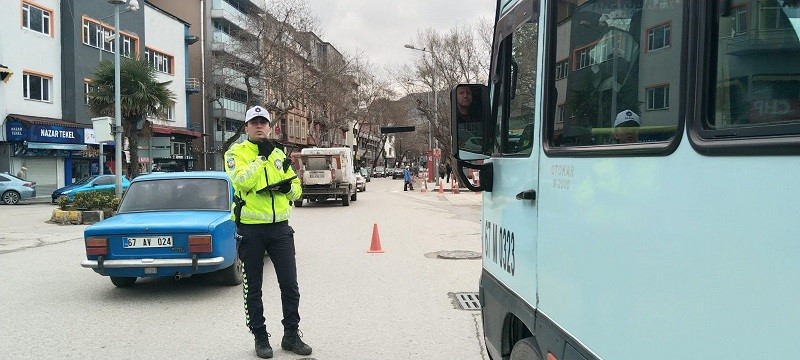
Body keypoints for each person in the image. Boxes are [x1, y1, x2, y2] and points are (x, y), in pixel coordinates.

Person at [224, 105, 311, 359]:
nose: (259, 126)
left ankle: (291, 335)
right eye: (254, 123)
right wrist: (261, 159)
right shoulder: (236, 152)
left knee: (290, 285)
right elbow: (242, 181)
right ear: (247, 128)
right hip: (250, 230)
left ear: (270, 126)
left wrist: (286, 189)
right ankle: (260, 337)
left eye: (263, 122)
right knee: (254, 288)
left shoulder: (279, 153)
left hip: (280, 229)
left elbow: (297, 189)